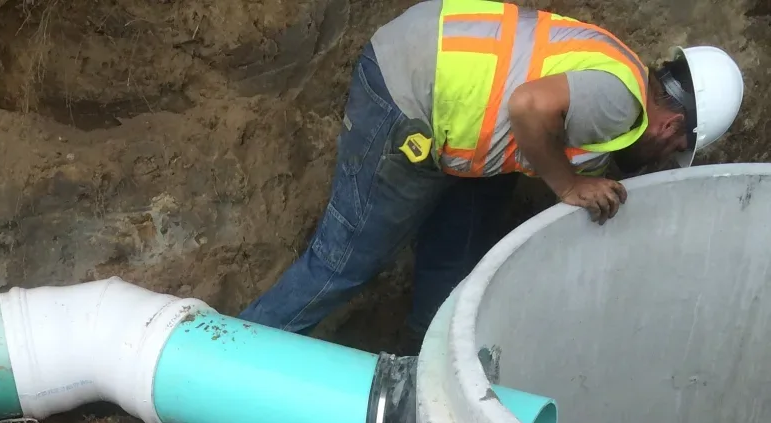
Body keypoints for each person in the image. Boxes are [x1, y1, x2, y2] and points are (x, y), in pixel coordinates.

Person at [241, 1, 745, 347]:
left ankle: (420, 373)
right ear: (673, 125)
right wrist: (568, 185)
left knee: (457, 257)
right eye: (678, 148)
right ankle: (223, 360)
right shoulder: (619, 103)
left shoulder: (622, 75)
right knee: (343, 262)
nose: (666, 157)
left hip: (443, 88)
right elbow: (527, 108)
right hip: (409, 93)